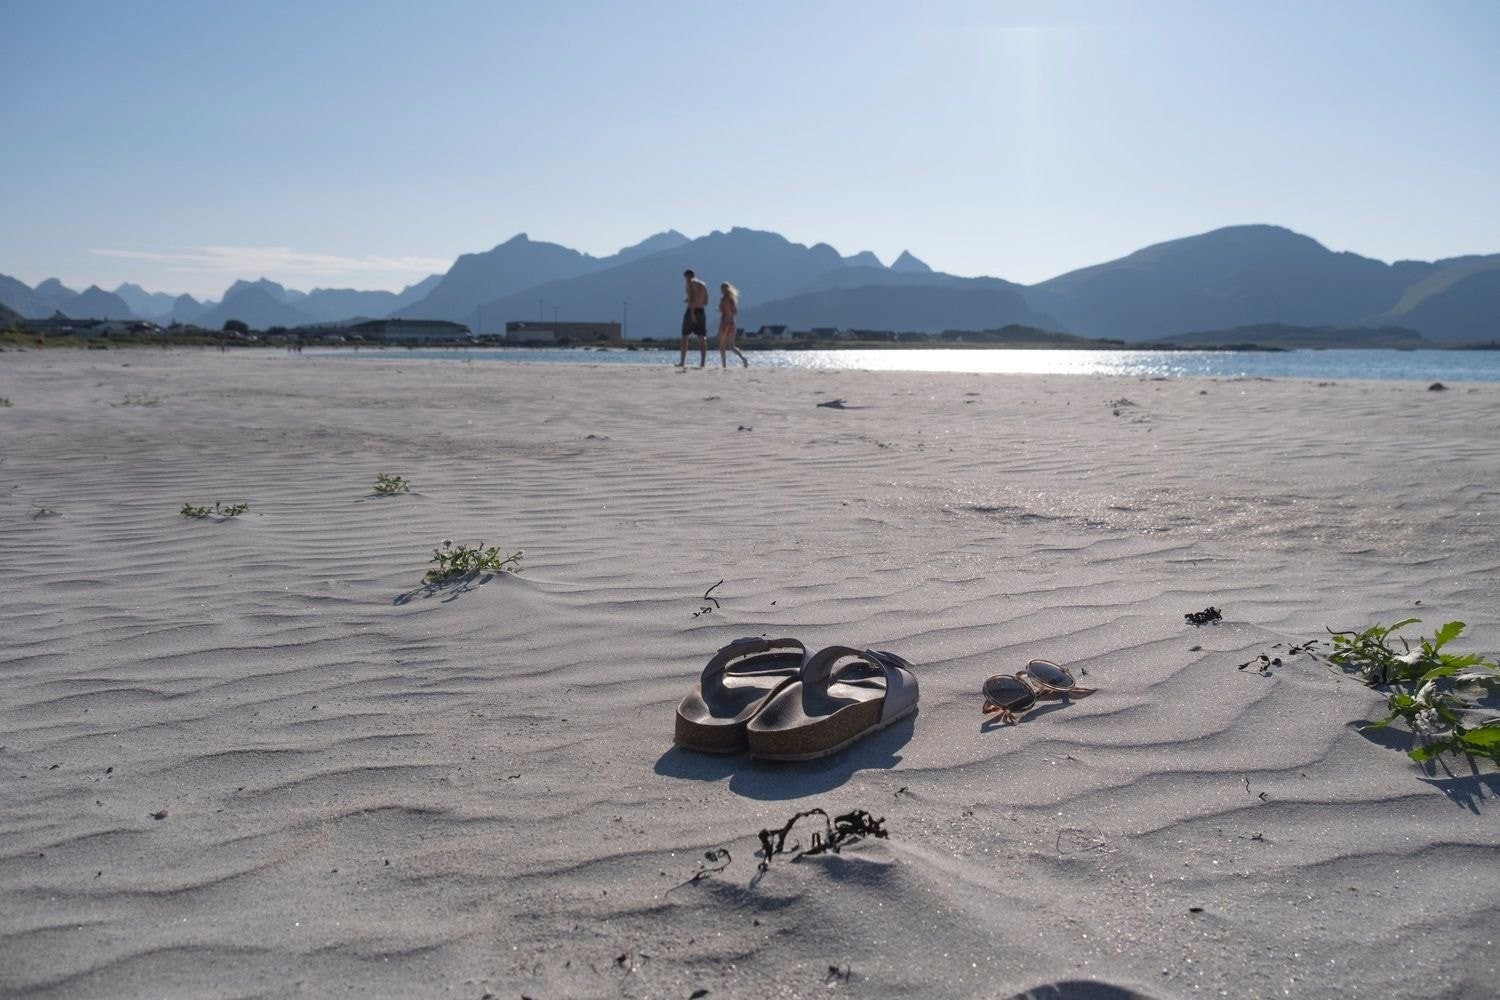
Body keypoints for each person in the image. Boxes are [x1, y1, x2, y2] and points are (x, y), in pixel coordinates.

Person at [676, 269, 709, 368]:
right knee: (702, 337)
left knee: (684, 337)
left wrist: (692, 312)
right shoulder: (703, 284)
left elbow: (693, 297)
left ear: (687, 276)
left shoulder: (690, 283)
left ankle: (682, 362)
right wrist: (691, 300)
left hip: (692, 311)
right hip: (701, 311)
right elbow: (706, 301)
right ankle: (702, 363)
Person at [717, 282, 747, 368]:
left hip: (724, 322)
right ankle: (743, 358)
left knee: (722, 346)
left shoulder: (723, 299)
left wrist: (722, 310)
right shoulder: (732, 299)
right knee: (731, 346)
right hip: (732, 323)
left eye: (721, 289)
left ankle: (724, 365)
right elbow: (735, 312)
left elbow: (723, 312)